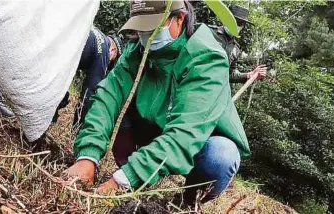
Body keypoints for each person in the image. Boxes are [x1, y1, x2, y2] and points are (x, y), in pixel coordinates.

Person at [64, 0, 250, 206]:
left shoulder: (207, 59)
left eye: (152, 27)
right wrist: (87, 156)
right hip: (151, 128)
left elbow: (185, 134)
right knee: (114, 103)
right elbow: (108, 97)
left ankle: (187, 202)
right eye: (141, 28)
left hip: (197, 143)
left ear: (179, 18)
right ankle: (130, 168)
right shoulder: (138, 50)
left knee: (221, 155)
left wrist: (120, 183)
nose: (146, 35)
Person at [0, 11, 124, 123]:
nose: (109, 65)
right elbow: (89, 93)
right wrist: (78, 129)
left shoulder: (92, 33)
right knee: (56, 93)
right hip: (52, 52)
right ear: (113, 50)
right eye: (112, 62)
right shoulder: (103, 50)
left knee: (59, 92)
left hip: (48, 43)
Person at [210, 5, 267, 83]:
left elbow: (231, 74)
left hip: (217, 90)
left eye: (240, 23)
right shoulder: (209, 32)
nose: (236, 25)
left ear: (243, 26)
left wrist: (248, 75)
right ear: (225, 19)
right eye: (234, 21)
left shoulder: (235, 49)